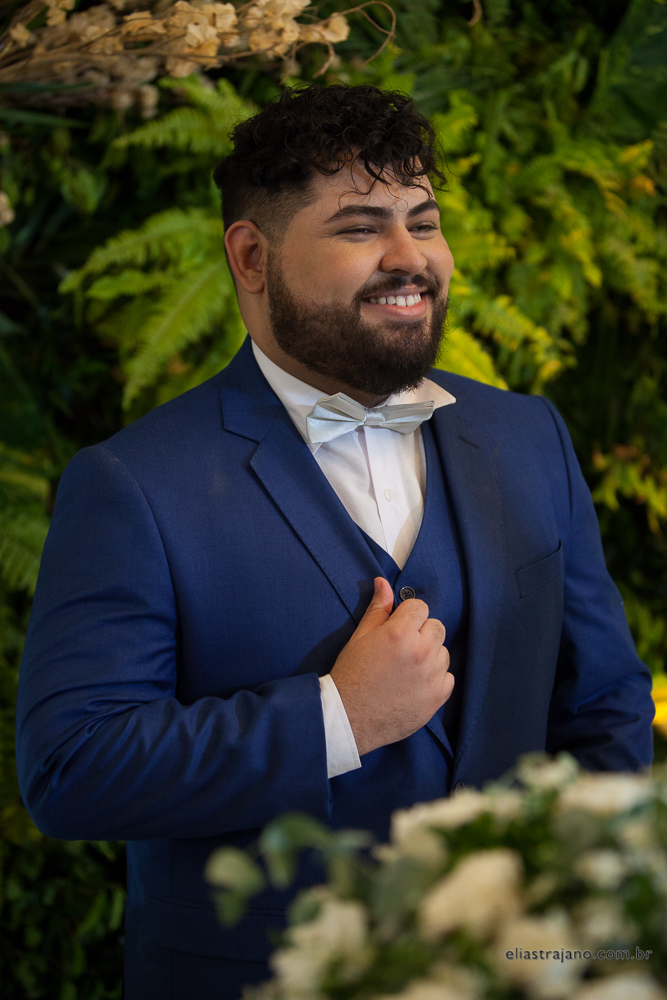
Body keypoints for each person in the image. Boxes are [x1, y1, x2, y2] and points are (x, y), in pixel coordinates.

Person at [15, 85, 654, 1000]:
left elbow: (601, 704)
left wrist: (574, 926)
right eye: (360, 227)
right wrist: (338, 719)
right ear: (251, 256)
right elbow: (72, 769)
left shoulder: (526, 437)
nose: (410, 257)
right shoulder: (132, 484)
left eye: (422, 221)